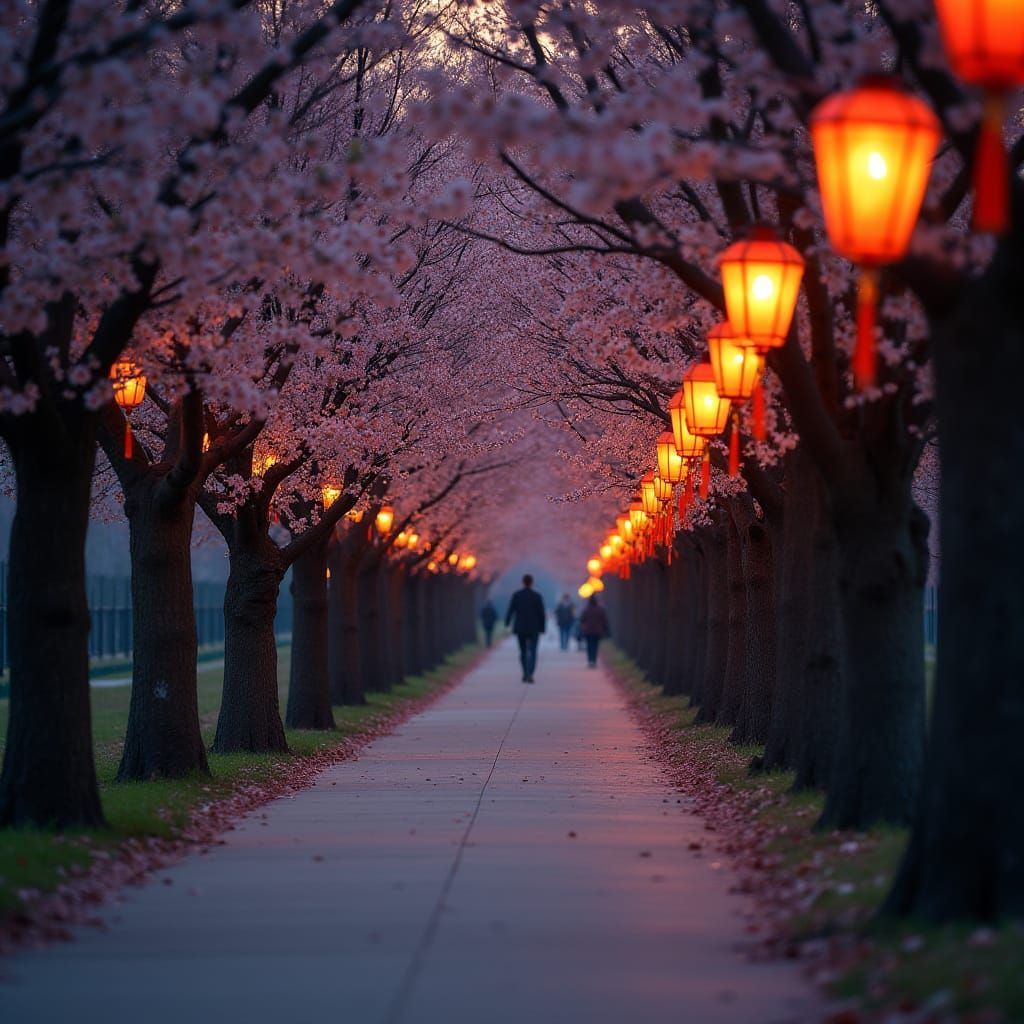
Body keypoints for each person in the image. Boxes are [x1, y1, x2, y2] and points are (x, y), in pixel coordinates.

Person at [505, 574, 546, 682]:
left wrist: (507, 622)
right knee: (533, 651)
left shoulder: (517, 595)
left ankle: (525, 672)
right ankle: (530, 673)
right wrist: (542, 628)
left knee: (523, 651)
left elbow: (511, 610)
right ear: (532, 582)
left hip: (520, 628)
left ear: (523, 582)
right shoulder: (537, 596)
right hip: (534, 628)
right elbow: (541, 614)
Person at [579, 595, 610, 668]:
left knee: (589, 646)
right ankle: (594, 660)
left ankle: (590, 660)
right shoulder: (600, 610)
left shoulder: (586, 609)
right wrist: (605, 629)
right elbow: (604, 620)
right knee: (595, 646)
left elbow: (582, 619)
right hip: (597, 631)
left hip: (588, 631)